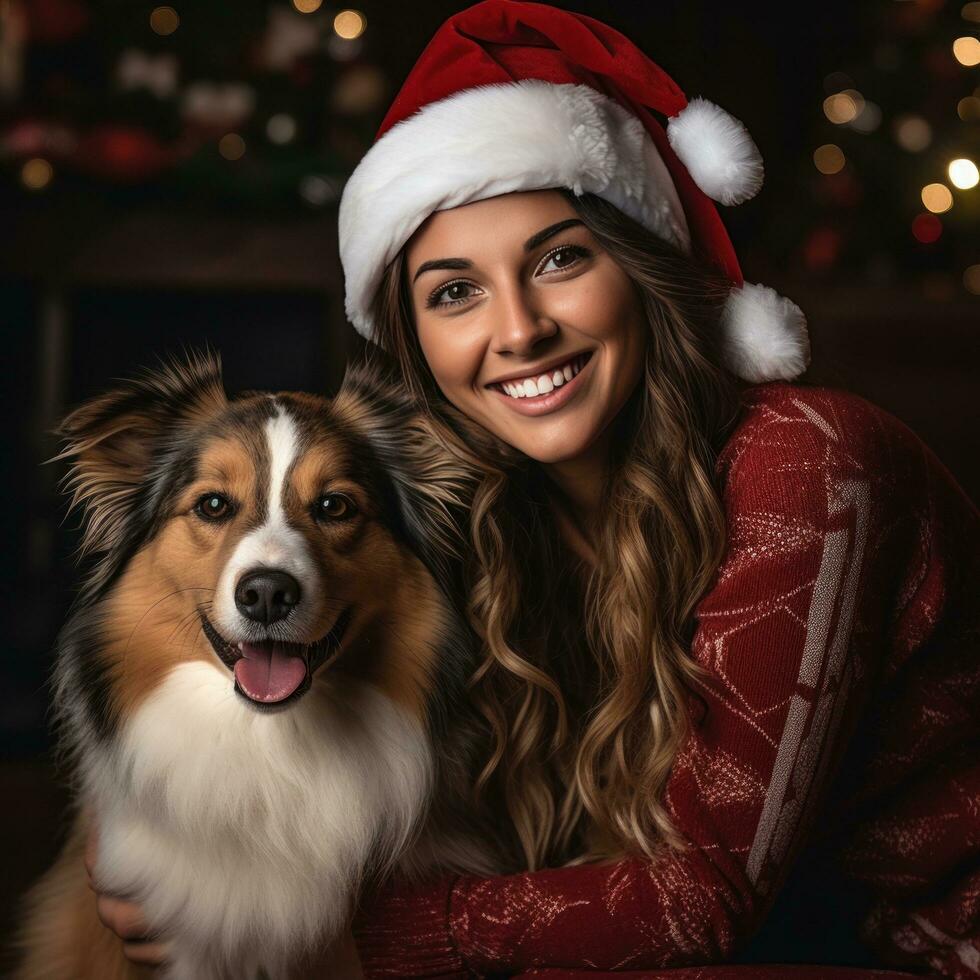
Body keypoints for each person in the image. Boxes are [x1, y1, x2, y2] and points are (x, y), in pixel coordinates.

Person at [86, 2, 979, 978]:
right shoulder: (467, 514)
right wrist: (158, 841)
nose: (517, 329)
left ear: (637, 265)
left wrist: (336, 940)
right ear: (413, 340)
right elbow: (361, 769)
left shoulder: (806, 464)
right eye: (453, 290)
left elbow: (696, 897)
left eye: (558, 258)